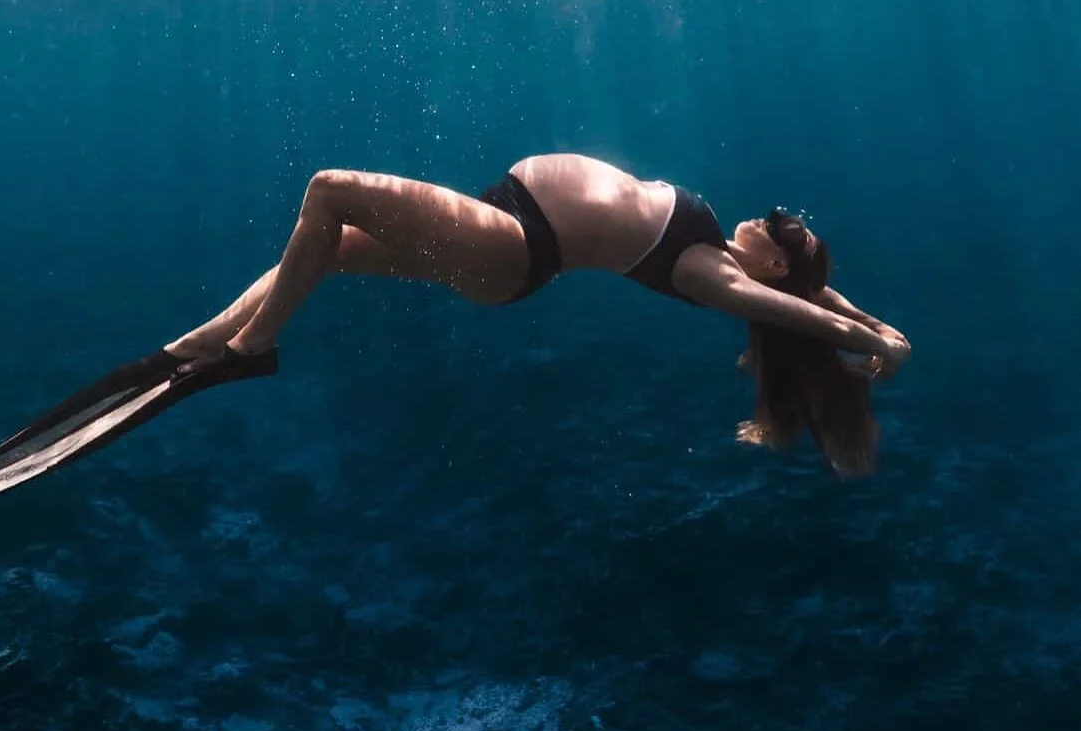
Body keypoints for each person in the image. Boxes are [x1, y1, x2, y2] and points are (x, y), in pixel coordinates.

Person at [165, 153, 910, 476]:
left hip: (517, 248)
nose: (767, 216)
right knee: (329, 245)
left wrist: (862, 342)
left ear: (773, 262)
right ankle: (207, 343)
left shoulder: (709, 271)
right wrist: (877, 325)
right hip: (504, 214)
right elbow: (812, 296)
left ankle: (251, 349)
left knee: (330, 190)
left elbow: (793, 312)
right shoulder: (716, 239)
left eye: (780, 228)